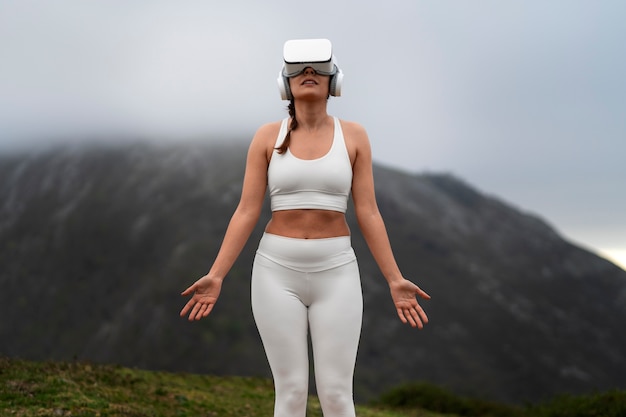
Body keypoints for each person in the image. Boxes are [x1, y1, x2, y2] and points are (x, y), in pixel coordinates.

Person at [180, 38, 430, 417]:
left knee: (336, 394)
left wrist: (395, 280)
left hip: (337, 271)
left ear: (335, 82)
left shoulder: (356, 136)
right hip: (275, 271)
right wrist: (217, 275)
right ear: (285, 83)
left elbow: (369, 212)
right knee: (292, 391)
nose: (308, 73)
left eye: (317, 68)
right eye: (298, 68)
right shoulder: (266, 137)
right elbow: (247, 210)